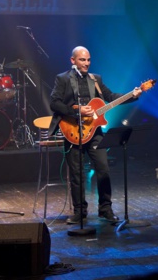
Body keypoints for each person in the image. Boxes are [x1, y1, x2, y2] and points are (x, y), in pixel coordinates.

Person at [48, 46, 142, 225]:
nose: (86, 63)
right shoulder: (62, 79)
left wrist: (133, 95)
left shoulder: (95, 79)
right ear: (73, 60)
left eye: (88, 60)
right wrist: (77, 111)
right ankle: (79, 212)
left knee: (103, 169)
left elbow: (111, 96)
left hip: (95, 132)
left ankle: (105, 209)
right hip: (72, 130)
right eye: (82, 60)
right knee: (77, 174)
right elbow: (54, 103)